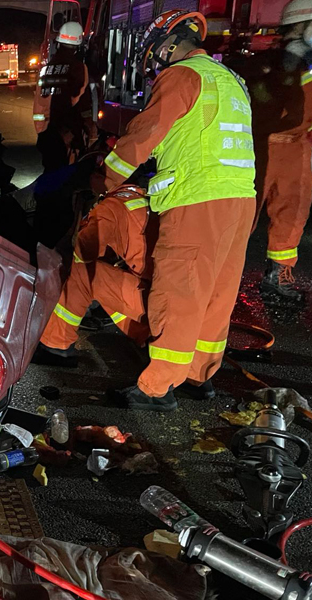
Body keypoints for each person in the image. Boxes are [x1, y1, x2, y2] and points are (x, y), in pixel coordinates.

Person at [100, 10, 257, 411]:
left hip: (196, 199)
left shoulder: (182, 75)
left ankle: (158, 387)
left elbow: (145, 133)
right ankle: (199, 376)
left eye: (156, 55)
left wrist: (106, 179)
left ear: (170, 44)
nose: (157, 64)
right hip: (240, 200)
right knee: (217, 291)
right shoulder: (230, 79)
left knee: (179, 289)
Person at [34, 184, 154, 367]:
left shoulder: (111, 207)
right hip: (174, 302)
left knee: (84, 274)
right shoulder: (144, 200)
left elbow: (84, 252)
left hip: (155, 300)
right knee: (106, 277)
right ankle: (145, 336)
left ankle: (56, 346)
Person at [245, 0, 312, 299]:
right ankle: (220, 270)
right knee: (245, 212)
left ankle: (279, 276)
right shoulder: (272, 63)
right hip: (263, 146)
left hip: (297, 148)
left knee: (293, 213)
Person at [33, 21, 89, 172]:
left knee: (50, 173)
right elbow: (78, 100)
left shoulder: (45, 70)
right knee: (66, 175)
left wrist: (41, 131)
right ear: (78, 46)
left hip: (46, 132)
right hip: (66, 133)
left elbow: (39, 103)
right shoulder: (78, 68)